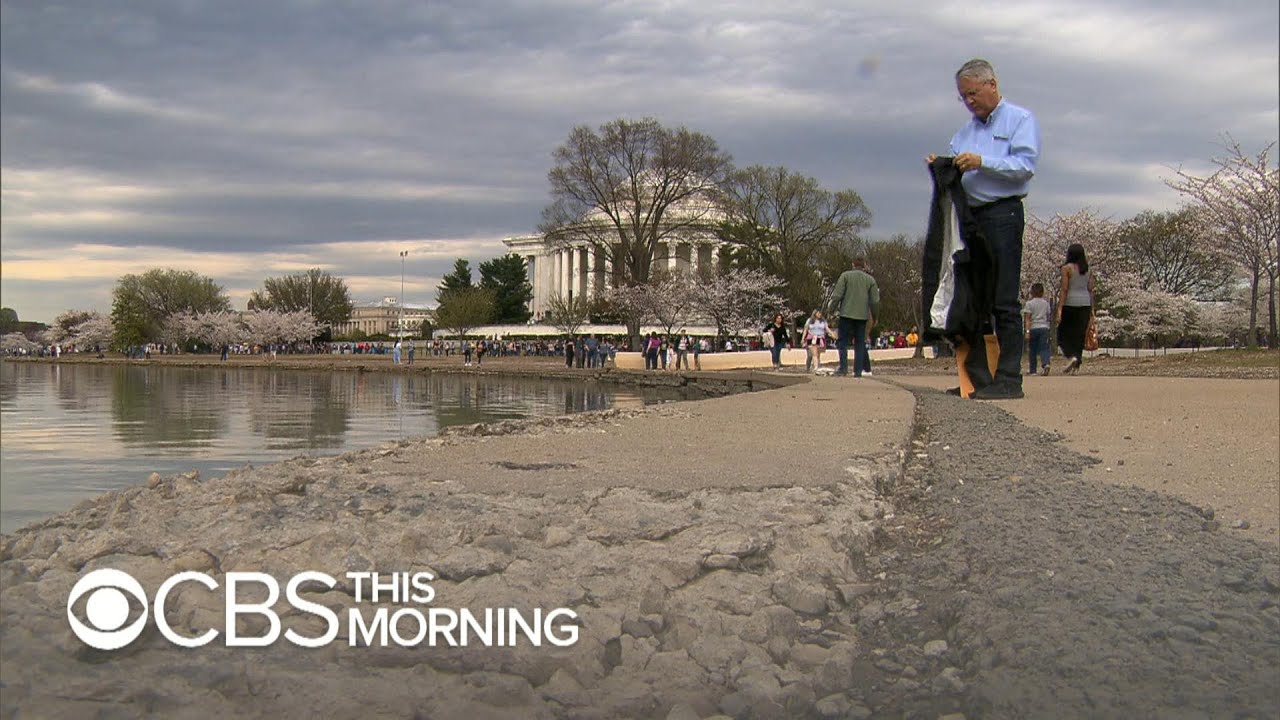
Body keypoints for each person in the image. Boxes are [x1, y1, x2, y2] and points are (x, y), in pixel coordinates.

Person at [927, 58, 1040, 399]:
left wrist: (982, 162)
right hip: (970, 220)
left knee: (1004, 299)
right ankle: (976, 378)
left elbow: (1024, 166)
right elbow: (953, 165)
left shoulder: (1020, 120)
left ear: (992, 85)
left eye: (973, 93)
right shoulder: (964, 133)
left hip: (1003, 215)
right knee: (973, 300)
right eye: (963, 96)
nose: (969, 101)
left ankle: (1009, 379)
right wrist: (941, 166)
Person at [830, 257, 880, 377]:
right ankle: (857, 371)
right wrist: (875, 316)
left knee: (842, 341)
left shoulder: (845, 276)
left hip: (846, 313)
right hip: (862, 316)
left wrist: (831, 310)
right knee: (859, 343)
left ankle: (843, 368)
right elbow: (875, 301)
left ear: (853, 264)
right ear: (864, 266)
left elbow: (837, 295)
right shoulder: (870, 280)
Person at [1056, 243, 1094, 375]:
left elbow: (1064, 288)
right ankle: (1076, 365)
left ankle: (1071, 356)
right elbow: (1090, 289)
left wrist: (1060, 307)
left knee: (1062, 333)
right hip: (1085, 303)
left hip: (1070, 303)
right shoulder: (1088, 270)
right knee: (1080, 335)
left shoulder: (1066, 268)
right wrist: (1092, 309)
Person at [1023, 282, 1052, 375]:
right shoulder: (1046, 303)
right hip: (1044, 328)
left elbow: (1028, 319)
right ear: (1042, 292)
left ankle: (1033, 370)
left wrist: (1027, 331)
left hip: (1033, 328)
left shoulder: (1029, 304)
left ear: (1032, 292)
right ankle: (1046, 363)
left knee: (1032, 349)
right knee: (1044, 347)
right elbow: (1048, 316)